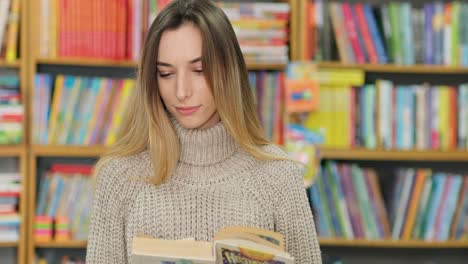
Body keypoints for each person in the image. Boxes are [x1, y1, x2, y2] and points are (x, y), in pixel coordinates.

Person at [85, 0, 321, 263]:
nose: (181, 91)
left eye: (199, 70)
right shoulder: (120, 177)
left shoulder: (277, 176)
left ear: (228, 71)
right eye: (165, 73)